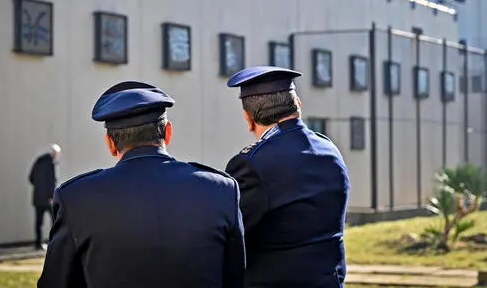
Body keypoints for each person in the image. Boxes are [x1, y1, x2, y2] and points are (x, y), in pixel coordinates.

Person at [38, 81, 245, 288]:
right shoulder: (221, 189)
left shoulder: (76, 197)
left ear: (110, 143)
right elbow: (236, 279)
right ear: (168, 132)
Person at [225, 66, 350, 288]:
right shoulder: (329, 149)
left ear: (248, 117)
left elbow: (233, 237)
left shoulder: (251, 163)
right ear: (298, 105)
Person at [29, 143, 61, 250]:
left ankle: (37, 243)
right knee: (55, 221)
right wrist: (51, 196)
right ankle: (55, 243)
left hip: (37, 197)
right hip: (48, 199)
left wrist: (39, 188)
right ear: (55, 153)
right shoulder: (50, 164)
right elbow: (50, 182)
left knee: (38, 222)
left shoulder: (38, 161)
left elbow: (31, 178)